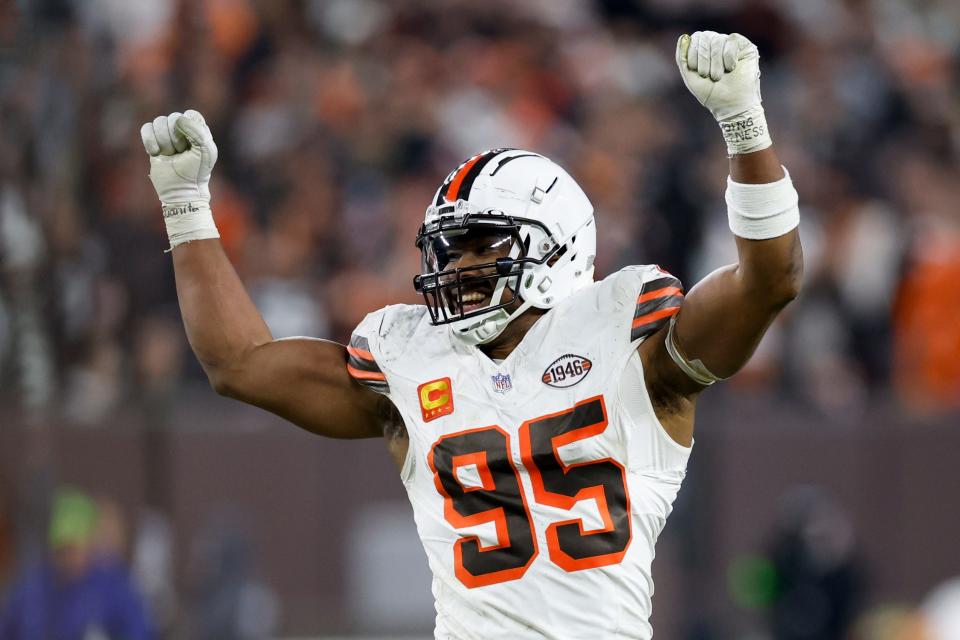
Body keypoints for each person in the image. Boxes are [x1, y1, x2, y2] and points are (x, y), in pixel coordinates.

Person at [140, 31, 802, 639]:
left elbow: (768, 280)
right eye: (449, 250)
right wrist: (186, 207)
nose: (459, 267)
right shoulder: (412, 357)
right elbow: (239, 364)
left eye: (482, 244)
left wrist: (743, 123)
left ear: (557, 249)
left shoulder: (632, 340)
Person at [0, 489, 153, 640]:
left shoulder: (113, 587)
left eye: (76, 548)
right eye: (63, 549)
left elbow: (139, 630)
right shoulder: (32, 591)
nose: (70, 557)